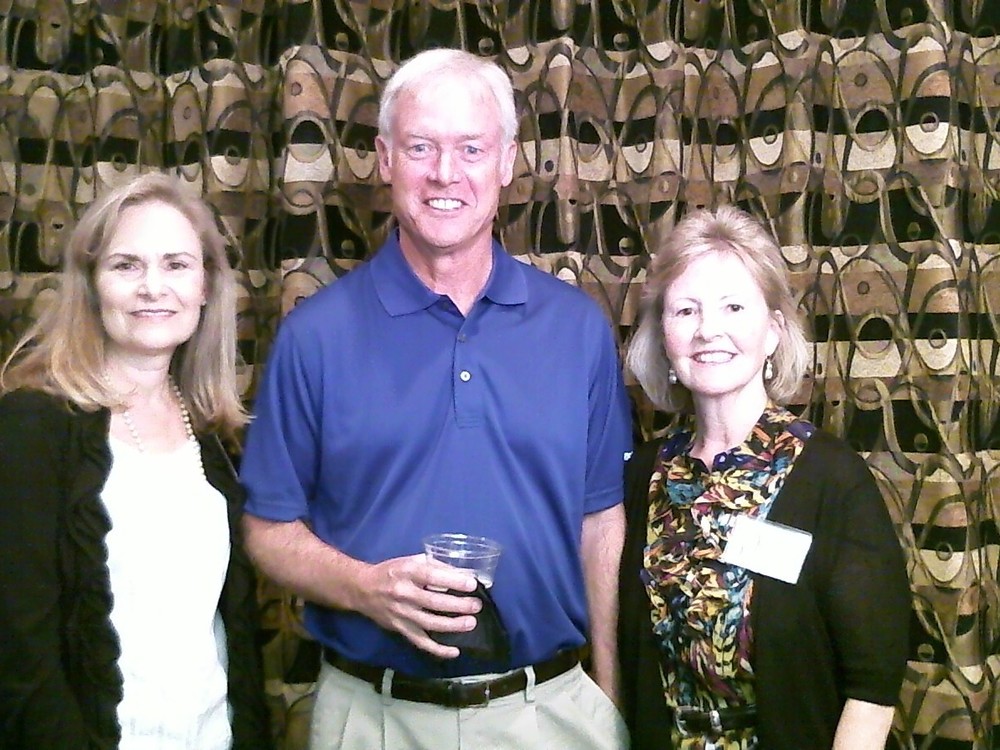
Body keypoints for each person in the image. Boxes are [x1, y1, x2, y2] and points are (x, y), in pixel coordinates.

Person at [239, 48, 632, 750]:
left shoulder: (577, 328)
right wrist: (365, 587)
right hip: (372, 718)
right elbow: (268, 531)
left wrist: (609, 696)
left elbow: (600, 522)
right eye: (421, 147)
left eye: (470, 148)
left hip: (551, 714)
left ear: (507, 162)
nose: (445, 173)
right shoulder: (314, 336)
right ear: (385, 159)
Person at [618, 205, 910, 749]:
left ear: (773, 331)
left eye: (733, 306)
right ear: (663, 336)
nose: (709, 330)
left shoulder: (831, 479)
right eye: (686, 310)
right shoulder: (642, 478)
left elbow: (873, 685)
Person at [0, 173, 272, 749]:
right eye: (126, 265)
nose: (153, 287)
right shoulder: (31, 426)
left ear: (205, 286)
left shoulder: (211, 435)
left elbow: (225, 633)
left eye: (176, 264)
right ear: (92, 285)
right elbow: (20, 652)